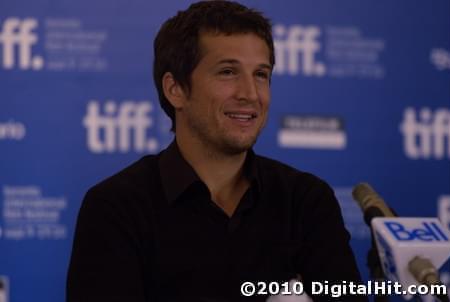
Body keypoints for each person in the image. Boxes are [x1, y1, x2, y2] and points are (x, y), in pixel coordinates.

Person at [67, 1, 367, 301]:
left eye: (261, 75)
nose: (250, 94)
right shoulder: (116, 207)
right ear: (176, 90)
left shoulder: (306, 200)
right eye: (227, 72)